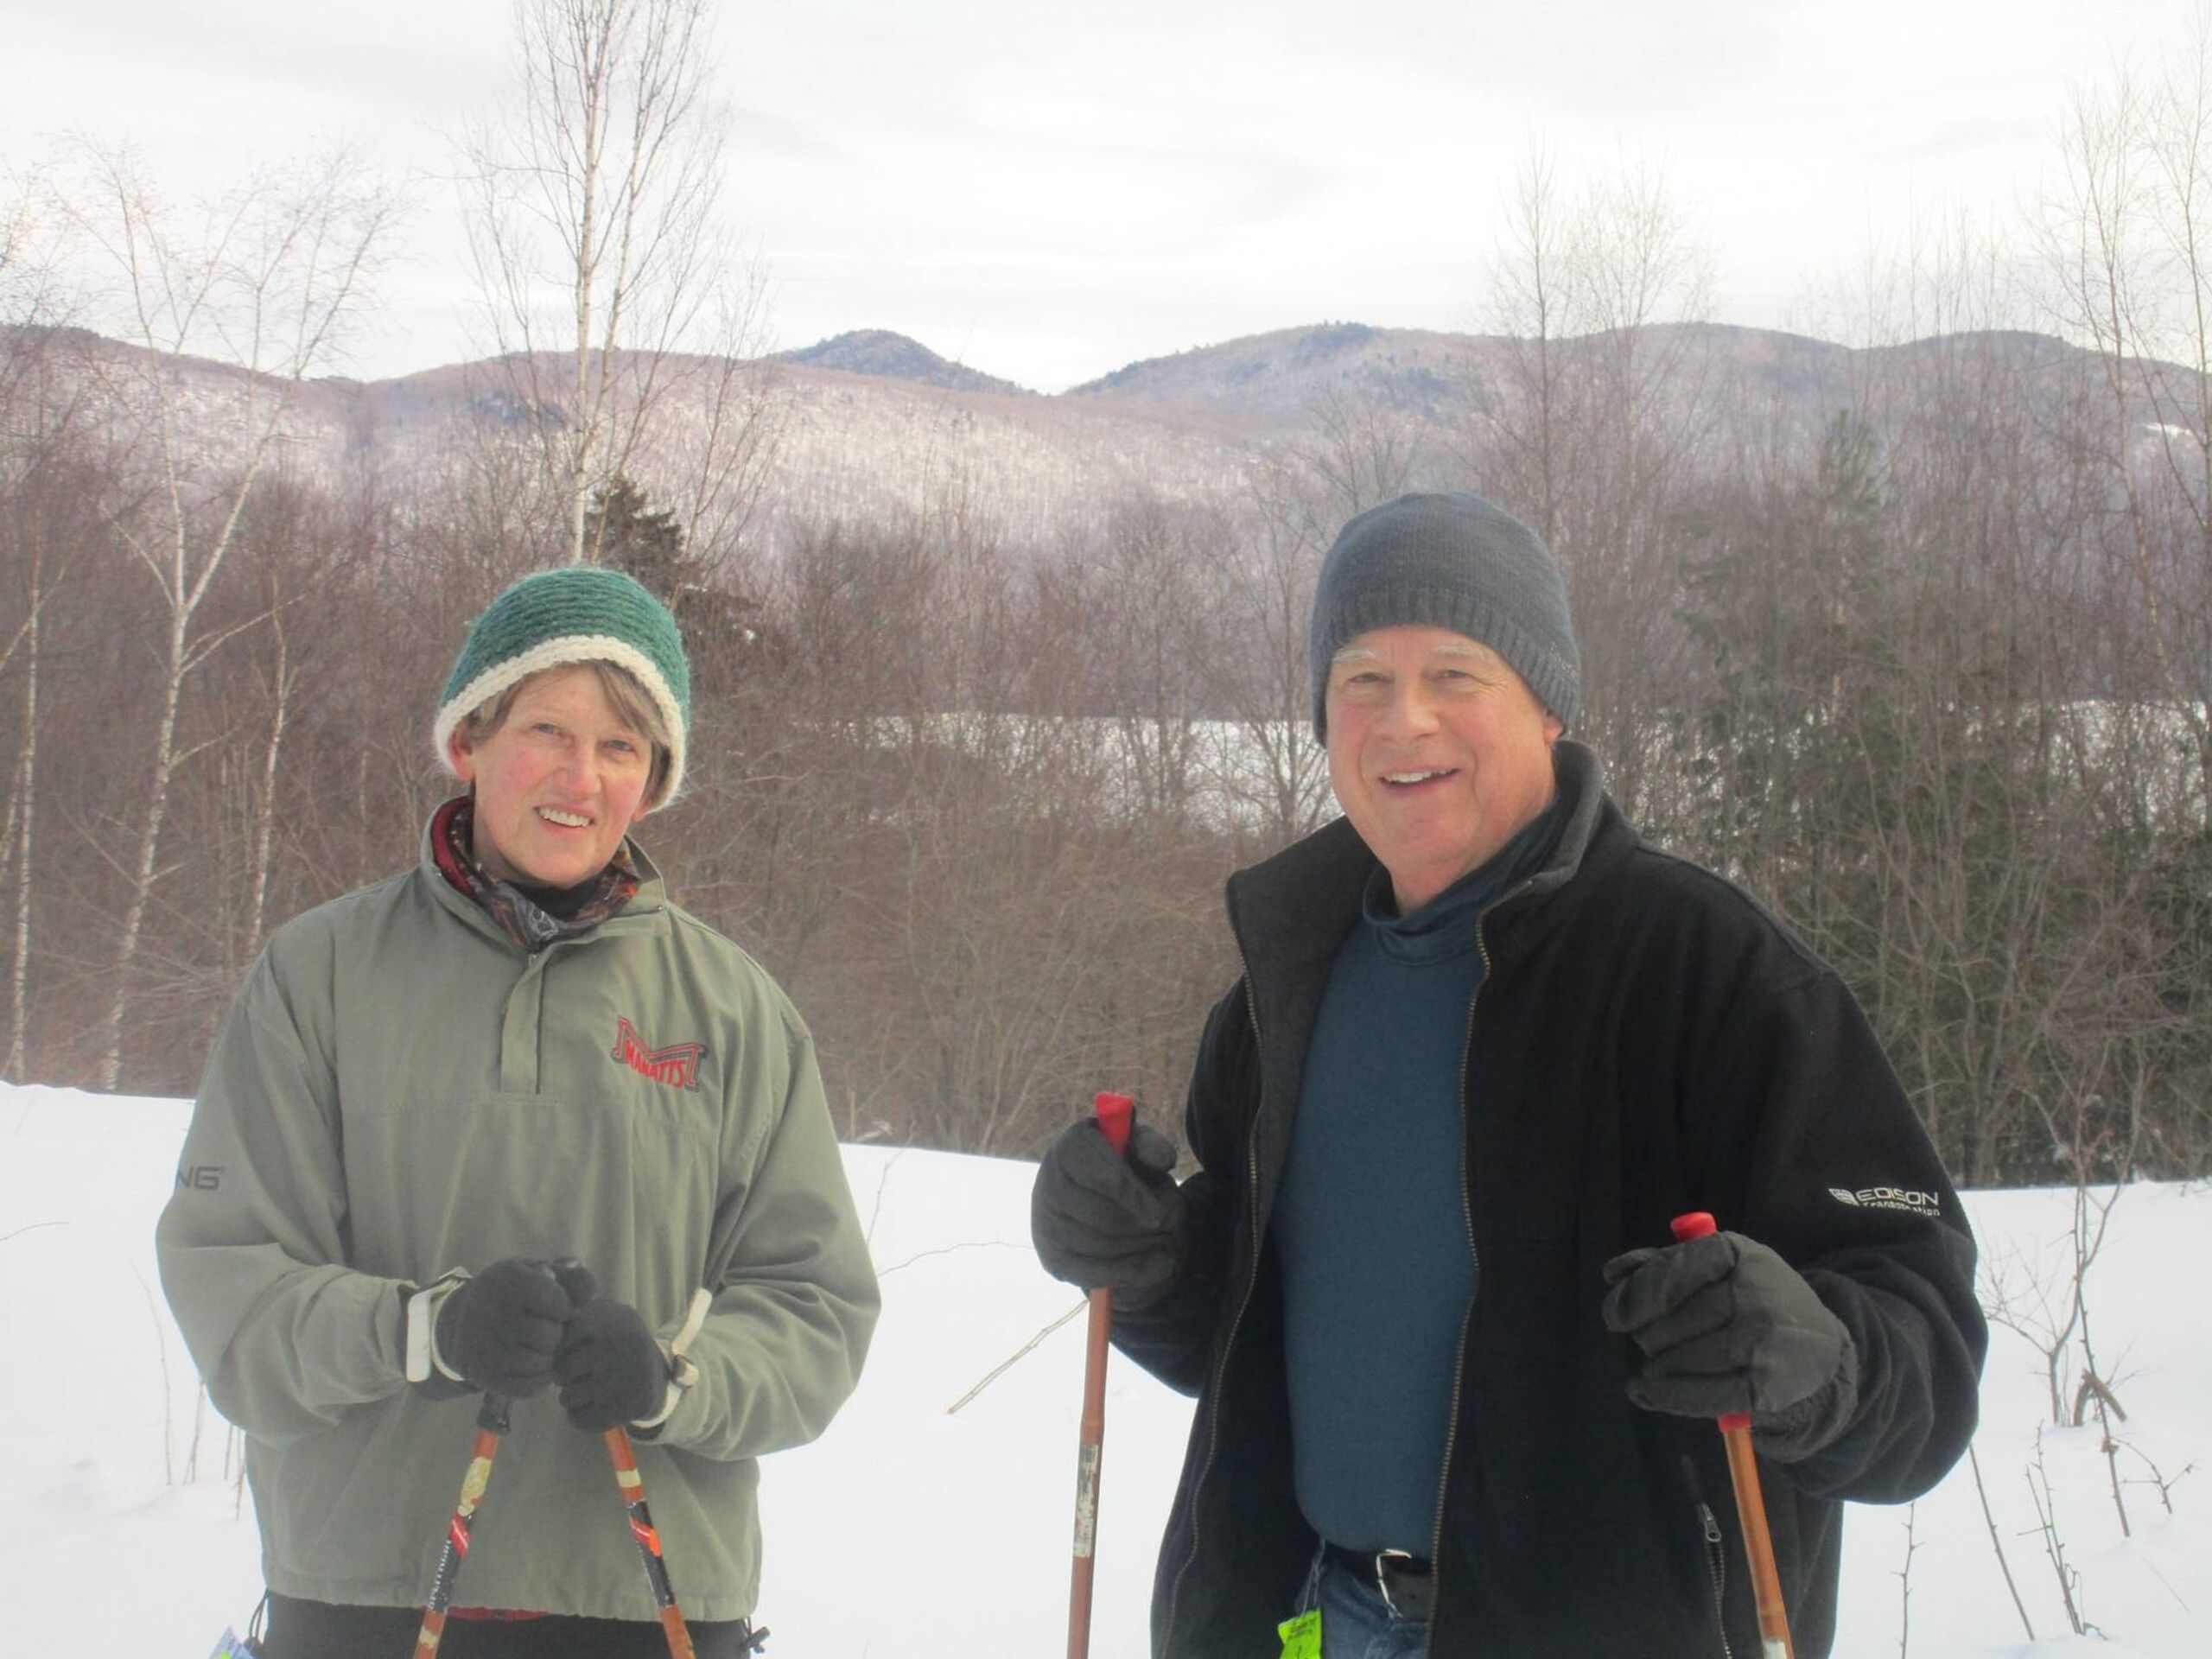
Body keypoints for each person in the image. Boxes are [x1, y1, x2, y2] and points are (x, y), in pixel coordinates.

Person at [1030, 492, 1987, 1658]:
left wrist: (1819, 1358)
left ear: (1549, 706)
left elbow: (1924, 1359)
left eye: (1454, 675)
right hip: (1310, 1620)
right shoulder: (1286, 985)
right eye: (1362, 682)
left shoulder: (1708, 972)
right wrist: (1148, 1258)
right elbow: (1246, 1342)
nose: (1403, 723)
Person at [158, 567, 880, 1658]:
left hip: (650, 1601)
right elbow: (235, 1292)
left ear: (656, 779)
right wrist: (425, 1333)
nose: (580, 778)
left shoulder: (737, 1013)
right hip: (366, 1594)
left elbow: (815, 1312)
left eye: (623, 747)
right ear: (471, 740)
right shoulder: (321, 977)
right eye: (547, 729)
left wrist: (676, 1378)